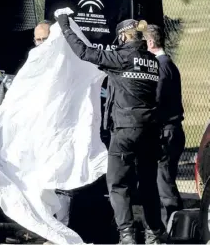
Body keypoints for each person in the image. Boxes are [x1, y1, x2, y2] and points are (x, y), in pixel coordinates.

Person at [55, 14, 167, 244]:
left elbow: (84, 52)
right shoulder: (153, 62)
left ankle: (126, 235)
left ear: (124, 36)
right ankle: (154, 233)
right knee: (148, 184)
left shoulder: (121, 57)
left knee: (118, 183)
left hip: (125, 130)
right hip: (150, 131)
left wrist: (65, 26)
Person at [144, 24, 185, 223]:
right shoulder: (168, 64)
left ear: (150, 42)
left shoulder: (161, 66)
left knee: (165, 184)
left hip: (167, 132)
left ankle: (175, 226)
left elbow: (157, 99)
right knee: (166, 181)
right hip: (173, 131)